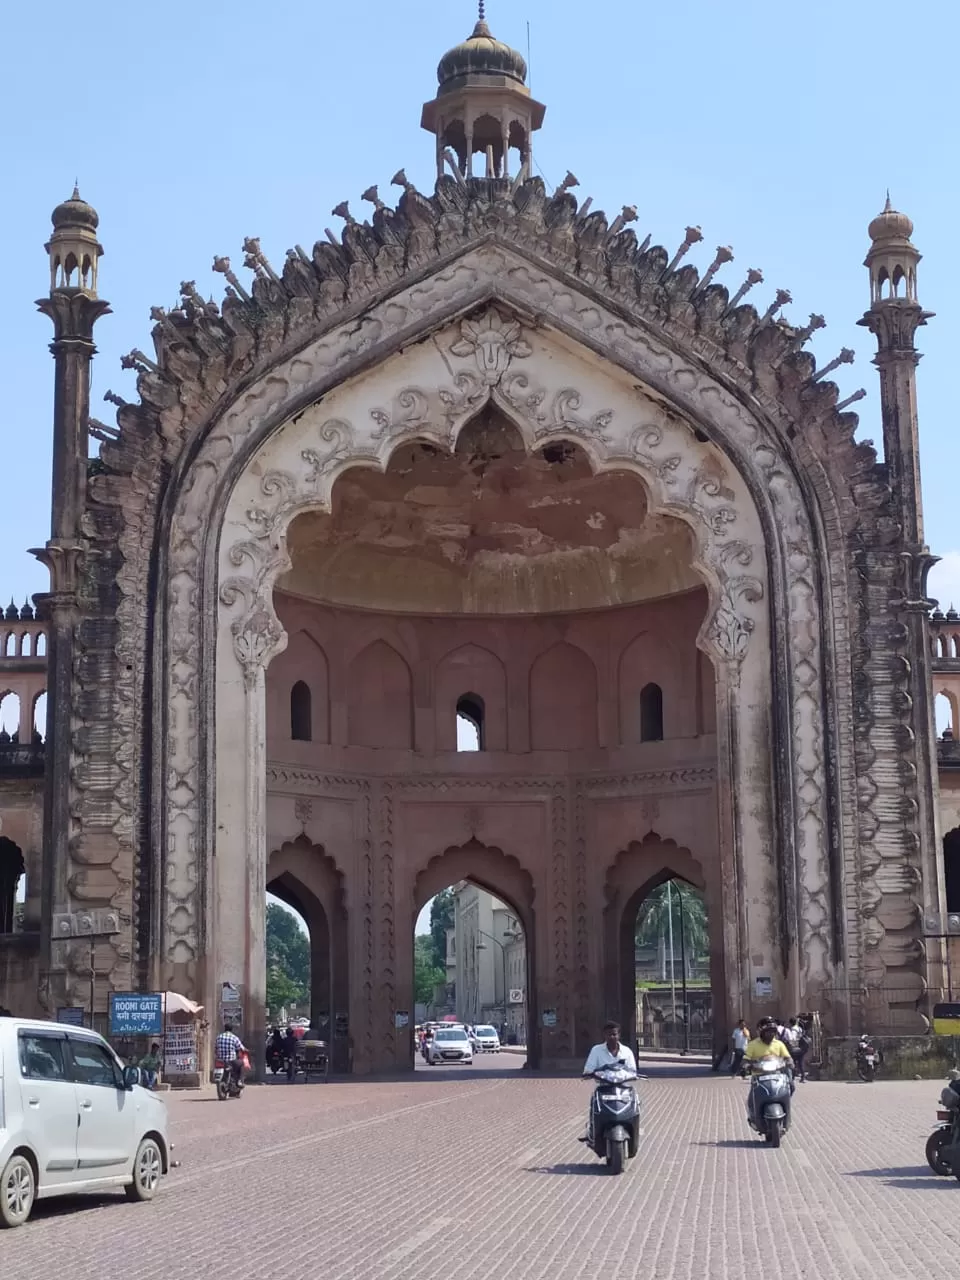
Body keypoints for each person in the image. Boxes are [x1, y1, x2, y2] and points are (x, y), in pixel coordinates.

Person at [580, 1021, 638, 1143]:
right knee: (594, 1103)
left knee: (636, 1102)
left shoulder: (627, 1052)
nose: (612, 1037)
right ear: (604, 1036)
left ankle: (634, 1131)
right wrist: (590, 1074)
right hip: (604, 1087)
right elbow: (588, 1069)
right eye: (608, 1034)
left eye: (614, 1034)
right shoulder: (596, 1050)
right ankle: (592, 1130)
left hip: (623, 1087)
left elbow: (633, 1070)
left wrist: (632, 1075)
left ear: (619, 1035)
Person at [216, 1021, 246, 1087]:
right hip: (231, 1061)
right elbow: (241, 1048)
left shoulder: (218, 1037)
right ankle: (239, 1081)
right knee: (241, 1064)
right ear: (231, 1029)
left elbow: (216, 1048)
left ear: (225, 1028)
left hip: (220, 1060)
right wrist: (246, 1050)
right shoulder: (234, 1038)